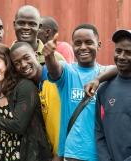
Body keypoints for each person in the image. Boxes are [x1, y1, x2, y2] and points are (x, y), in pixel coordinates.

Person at [42, 23, 111, 161]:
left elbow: (122, 68)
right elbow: (55, 70)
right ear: (72, 46)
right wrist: (49, 56)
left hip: (102, 153)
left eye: (89, 42)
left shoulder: (107, 74)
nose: (83, 47)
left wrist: (98, 79)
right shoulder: (68, 72)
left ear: (99, 45)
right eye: (78, 43)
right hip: (73, 153)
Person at [10, 42, 63, 161]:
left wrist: (61, 154)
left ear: (36, 56)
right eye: (17, 63)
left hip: (68, 154)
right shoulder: (30, 88)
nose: (23, 65)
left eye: (26, 58)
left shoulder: (56, 78)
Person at [95, 29, 131, 161]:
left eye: (128, 53)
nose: (121, 56)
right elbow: (100, 131)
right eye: (118, 51)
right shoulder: (104, 89)